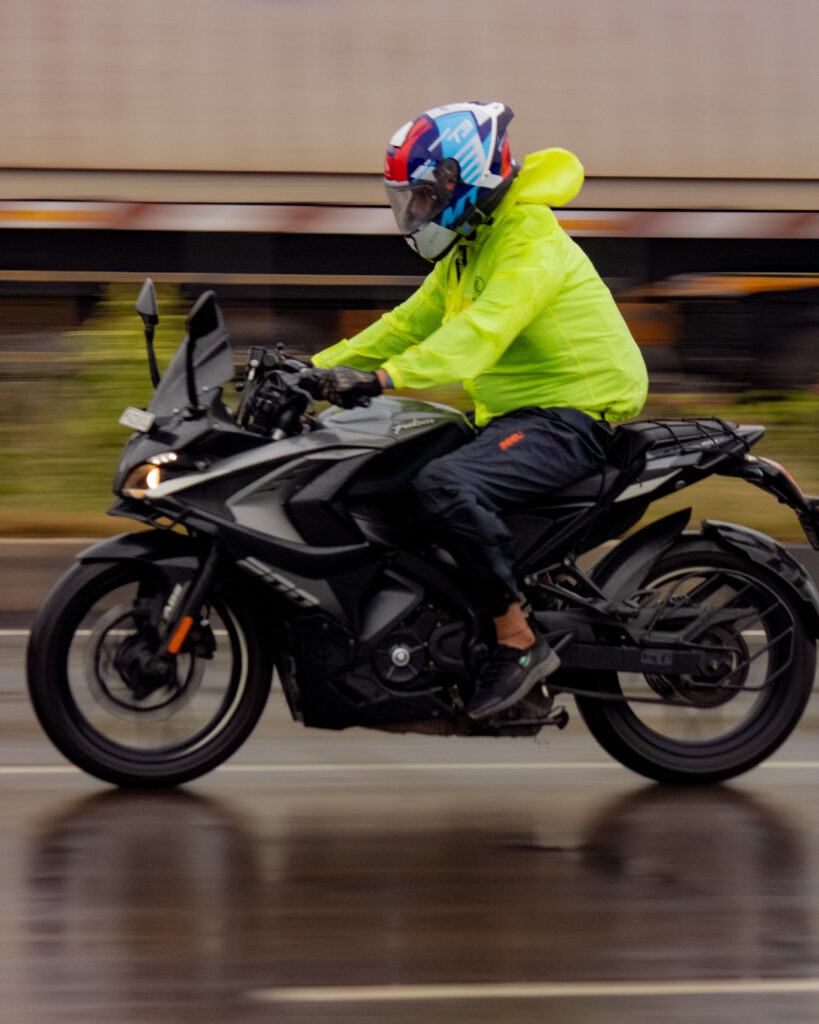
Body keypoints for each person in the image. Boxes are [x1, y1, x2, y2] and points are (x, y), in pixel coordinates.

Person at [312, 101, 648, 720]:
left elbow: (481, 334)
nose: (413, 215)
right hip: (514, 419)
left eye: (419, 198)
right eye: (404, 200)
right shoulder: (468, 248)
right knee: (388, 474)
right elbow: (404, 324)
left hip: (570, 418)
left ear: (460, 183)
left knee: (444, 483)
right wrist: (311, 370)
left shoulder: (529, 242)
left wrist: (382, 379)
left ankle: (518, 642)